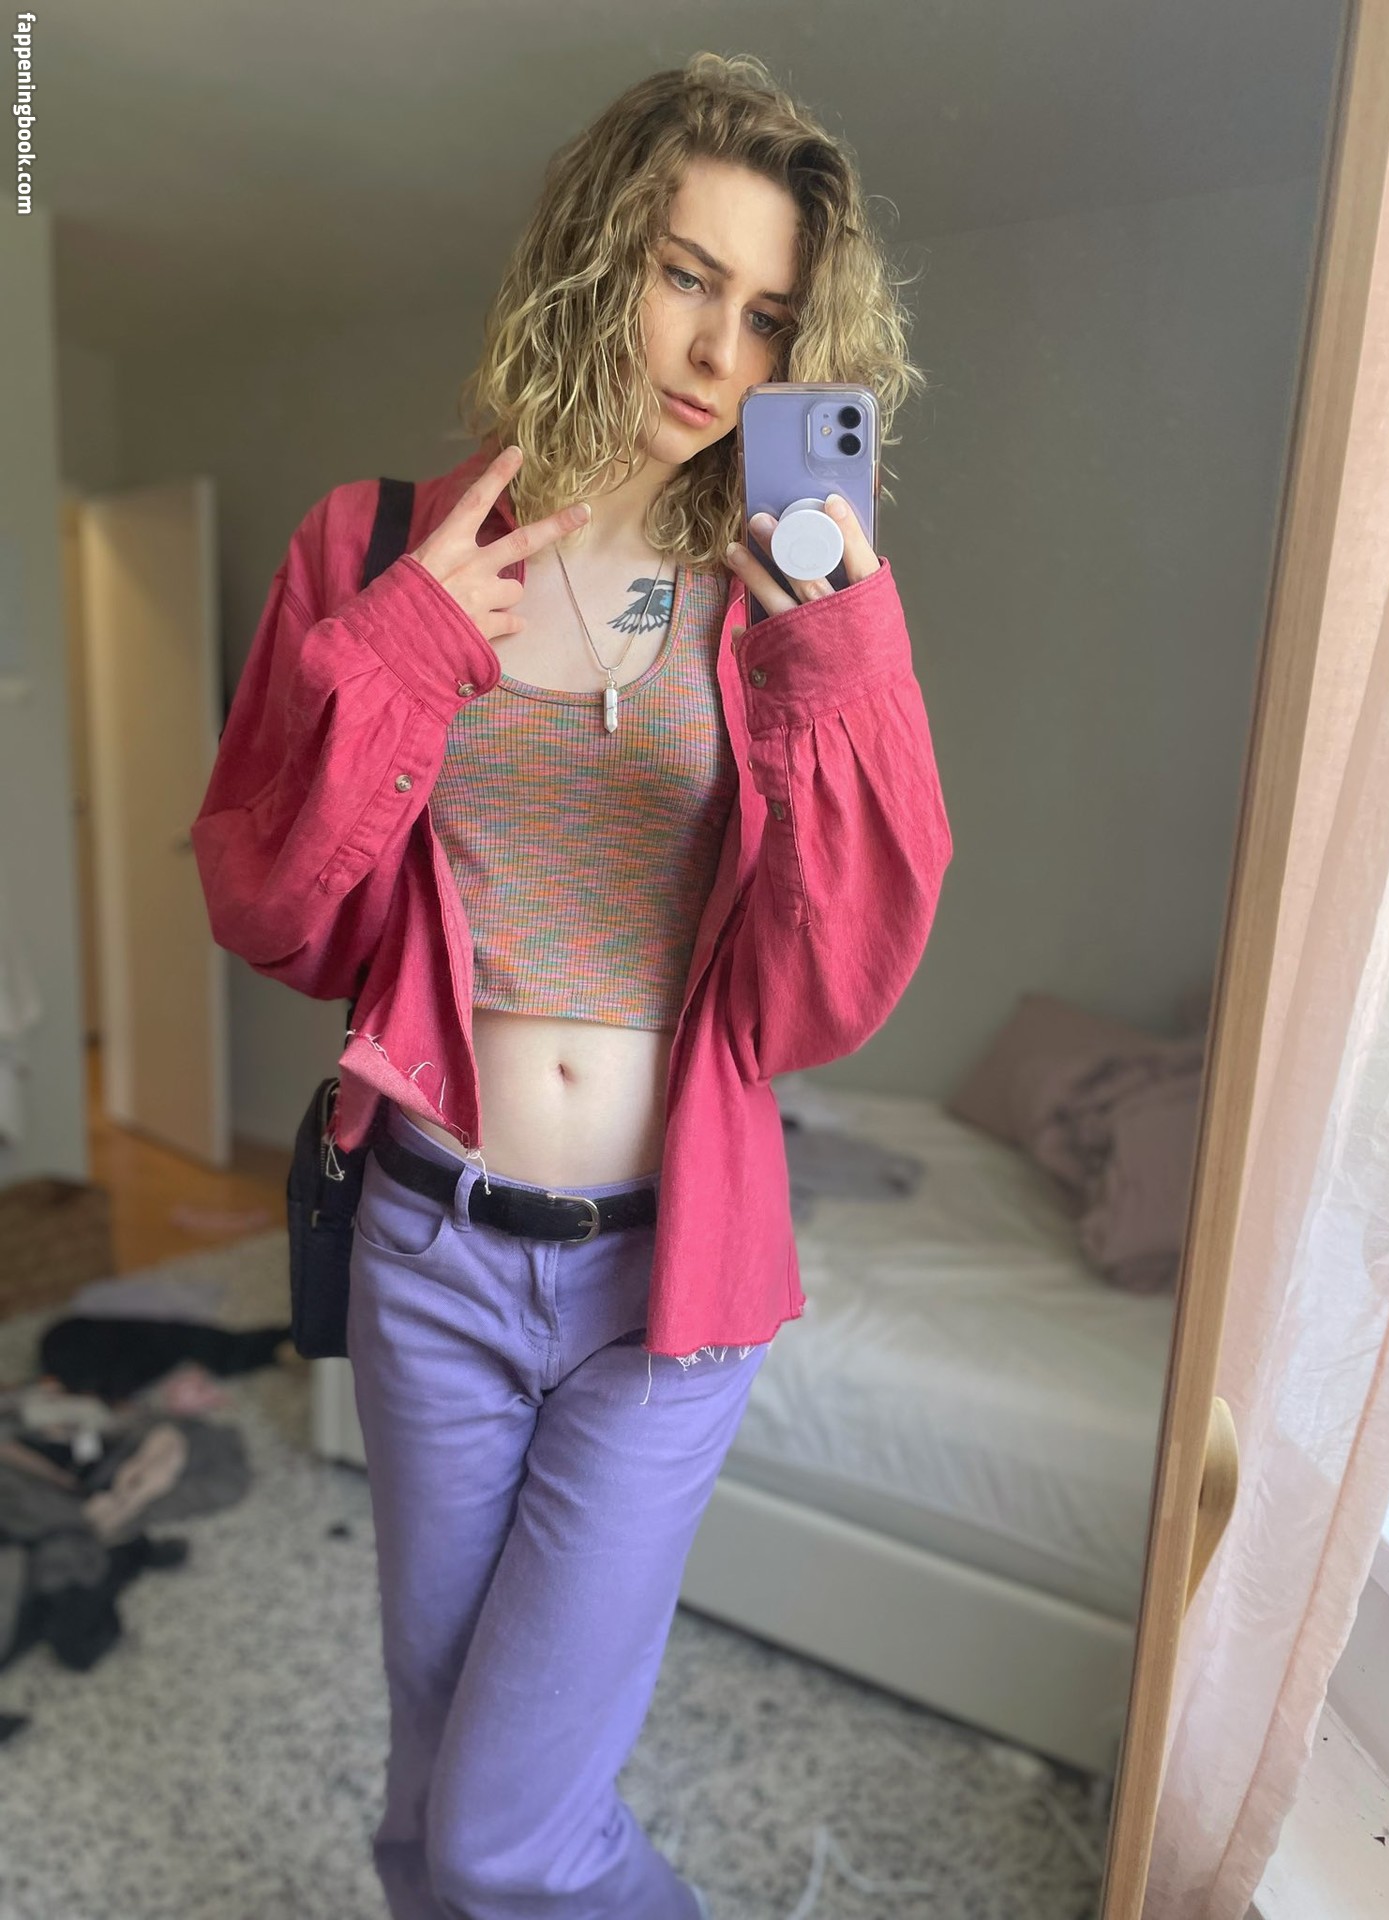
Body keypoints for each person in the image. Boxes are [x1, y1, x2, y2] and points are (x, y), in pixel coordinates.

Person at [192, 50, 952, 1920]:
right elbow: (269, 905)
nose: (717, 349)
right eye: (687, 274)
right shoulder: (378, 545)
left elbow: (834, 991)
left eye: (768, 315)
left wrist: (835, 659)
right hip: (429, 1243)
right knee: (430, 1780)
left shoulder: (791, 600)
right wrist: (405, 647)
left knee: (513, 1831)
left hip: (664, 1280)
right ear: (598, 255)